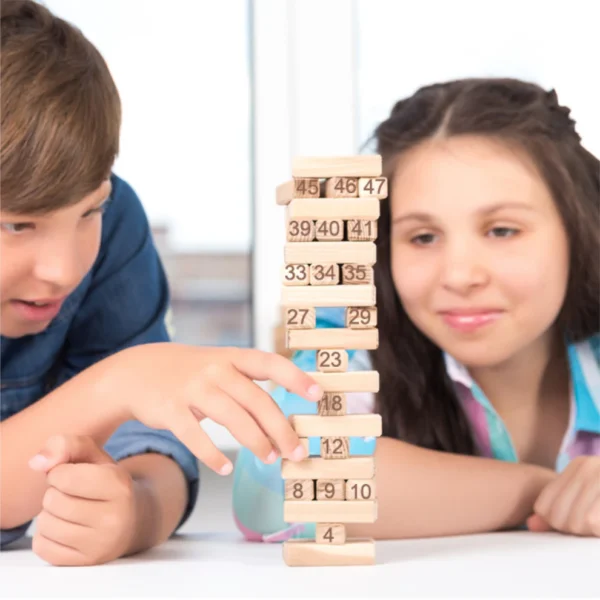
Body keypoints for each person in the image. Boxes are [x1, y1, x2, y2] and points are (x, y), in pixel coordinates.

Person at [0, 0, 321, 565]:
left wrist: (133, 511)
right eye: (16, 224)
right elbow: (128, 387)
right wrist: (116, 383)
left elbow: (156, 447)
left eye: (88, 212)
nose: (64, 269)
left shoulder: (120, 221)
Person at [233, 77, 600, 541]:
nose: (460, 275)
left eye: (502, 231)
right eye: (422, 237)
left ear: (578, 229)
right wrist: (542, 488)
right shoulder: (354, 349)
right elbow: (274, 485)